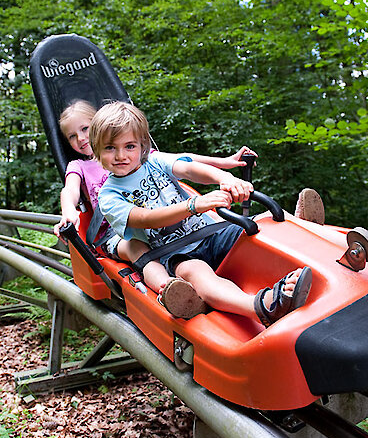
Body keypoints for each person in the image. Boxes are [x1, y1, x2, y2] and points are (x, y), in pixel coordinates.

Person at [92, 101, 312, 325]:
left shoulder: (154, 161)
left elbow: (189, 168)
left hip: (210, 233)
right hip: (175, 253)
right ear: (97, 150)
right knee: (198, 276)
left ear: (142, 145)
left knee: (260, 225)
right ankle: (263, 305)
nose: (121, 155)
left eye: (129, 146)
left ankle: (309, 232)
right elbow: (143, 218)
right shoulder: (108, 195)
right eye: (110, 148)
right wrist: (193, 206)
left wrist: (224, 178)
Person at [53, 99, 258, 296]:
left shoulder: (141, 156)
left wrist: (223, 164)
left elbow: (184, 161)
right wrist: (69, 211)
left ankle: (226, 249)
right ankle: (169, 288)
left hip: (162, 214)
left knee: (214, 217)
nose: (80, 138)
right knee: (136, 246)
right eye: (72, 136)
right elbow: (69, 190)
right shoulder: (79, 166)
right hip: (114, 231)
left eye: (84, 129)